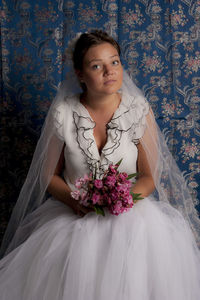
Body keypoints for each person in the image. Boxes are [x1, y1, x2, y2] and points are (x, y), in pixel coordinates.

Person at [0, 30, 200, 300]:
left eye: (114, 62)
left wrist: (124, 198)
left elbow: (149, 177)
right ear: (80, 74)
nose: (109, 71)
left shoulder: (138, 109)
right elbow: (49, 175)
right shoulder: (64, 112)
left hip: (132, 218)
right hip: (74, 216)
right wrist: (75, 201)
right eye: (97, 65)